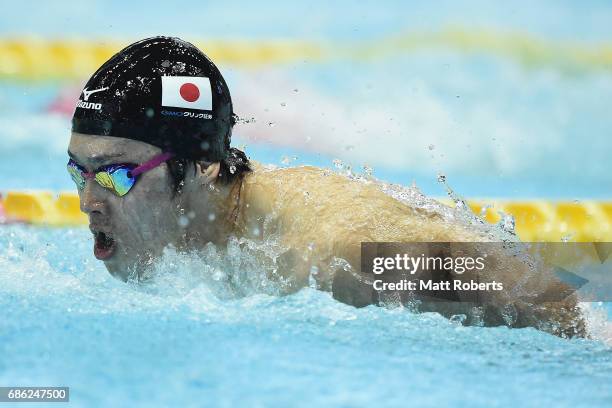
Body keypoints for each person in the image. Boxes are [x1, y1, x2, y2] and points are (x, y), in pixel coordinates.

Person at [68, 36, 585, 337]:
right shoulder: (202, 239)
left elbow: (551, 296)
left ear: (202, 166)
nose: (88, 202)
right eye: (78, 172)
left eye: (115, 174)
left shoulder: (333, 251)